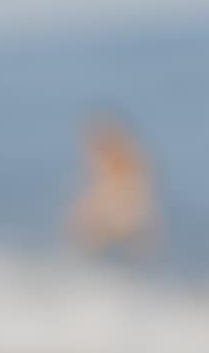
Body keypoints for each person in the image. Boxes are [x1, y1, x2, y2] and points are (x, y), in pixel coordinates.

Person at [67, 109, 158, 256]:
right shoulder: (131, 155)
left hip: (122, 212)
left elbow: (131, 195)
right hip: (124, 212)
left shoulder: (123, 157)